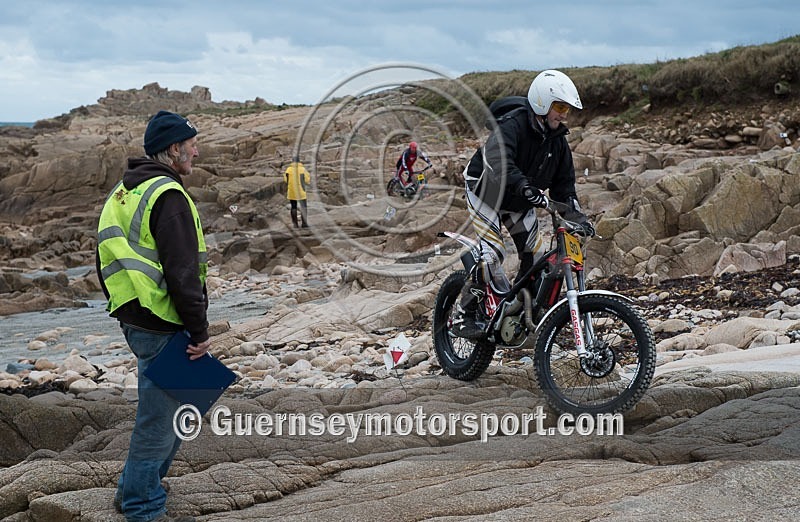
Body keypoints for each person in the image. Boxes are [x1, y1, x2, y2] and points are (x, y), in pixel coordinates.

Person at [96, 110, 207, 522]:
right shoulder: (168, 197)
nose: (197, 149)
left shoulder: (127, 190)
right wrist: (199, 330)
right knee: (159, 420)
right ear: (174, 149)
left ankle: (135, 488)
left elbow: (103, 252)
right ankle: (142, 506)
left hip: (137, 315)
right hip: (161, 320)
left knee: (187, 403)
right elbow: (183, 273)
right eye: (191, 143)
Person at [454, 70, 595, 340]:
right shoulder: (512, 125)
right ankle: (465, 313)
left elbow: (565, 187)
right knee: (492, 255)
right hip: (485, 192)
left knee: (538, 260)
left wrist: (578, 218)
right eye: (560, 107)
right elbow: (498, 160)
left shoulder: (558, 143)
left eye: (567, 108)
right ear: (542, 102)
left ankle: (518, 311)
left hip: (519, 202)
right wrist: (524, 187)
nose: (564, 114)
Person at [284, 156, 310, 228]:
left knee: (293, 207)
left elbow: (285, 180)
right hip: (301, 191)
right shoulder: (303, 169)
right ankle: (304, 224)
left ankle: (295, 224)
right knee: (303, 207)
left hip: (291, 191)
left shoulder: (288, 170)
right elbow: (307, 180)